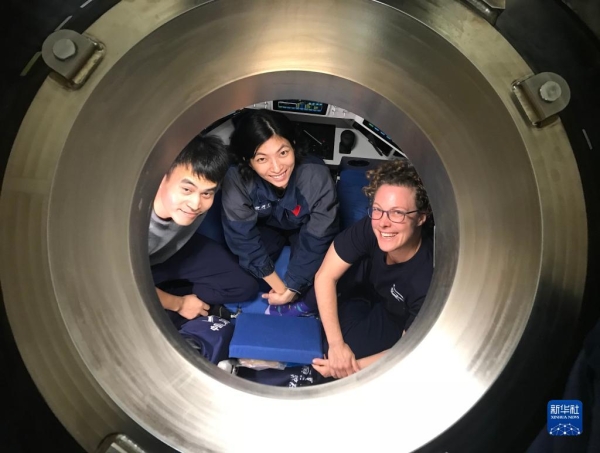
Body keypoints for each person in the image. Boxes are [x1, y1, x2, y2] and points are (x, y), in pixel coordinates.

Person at [310, 159, 434, 379]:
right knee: (319, 312)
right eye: (378, 209)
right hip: (365, 293)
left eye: (397, 213)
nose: (383, 223)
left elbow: (408, 351)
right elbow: (325, 276)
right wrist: (337, 345)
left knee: (345, 354)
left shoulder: (426, 281)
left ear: (421, 217)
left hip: (395, 317)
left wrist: (346, 369)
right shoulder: (373, 224)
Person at [221, 109, 339, 306]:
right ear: (248, 161)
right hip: (264, 227)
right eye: (262, 159)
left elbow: (319, 235)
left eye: (283, 153)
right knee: (246, 279)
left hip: (304, 228)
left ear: (293, 145)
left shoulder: (315, 175)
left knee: (317, 287)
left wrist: (293, 287)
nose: (277, 168)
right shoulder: (236, 178)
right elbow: (242, 237)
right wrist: (280, 288)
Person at [150, 134, 258, 326]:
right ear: (161, 178)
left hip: (176, 250)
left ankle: (174, 295)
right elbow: (120, 283)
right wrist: (179, 304)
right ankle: (171, 300)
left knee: (245, 286)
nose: (195, 204)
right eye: (187, 190)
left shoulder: (202, 198)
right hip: (135, 265)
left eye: (206, 193)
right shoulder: (131, 224)